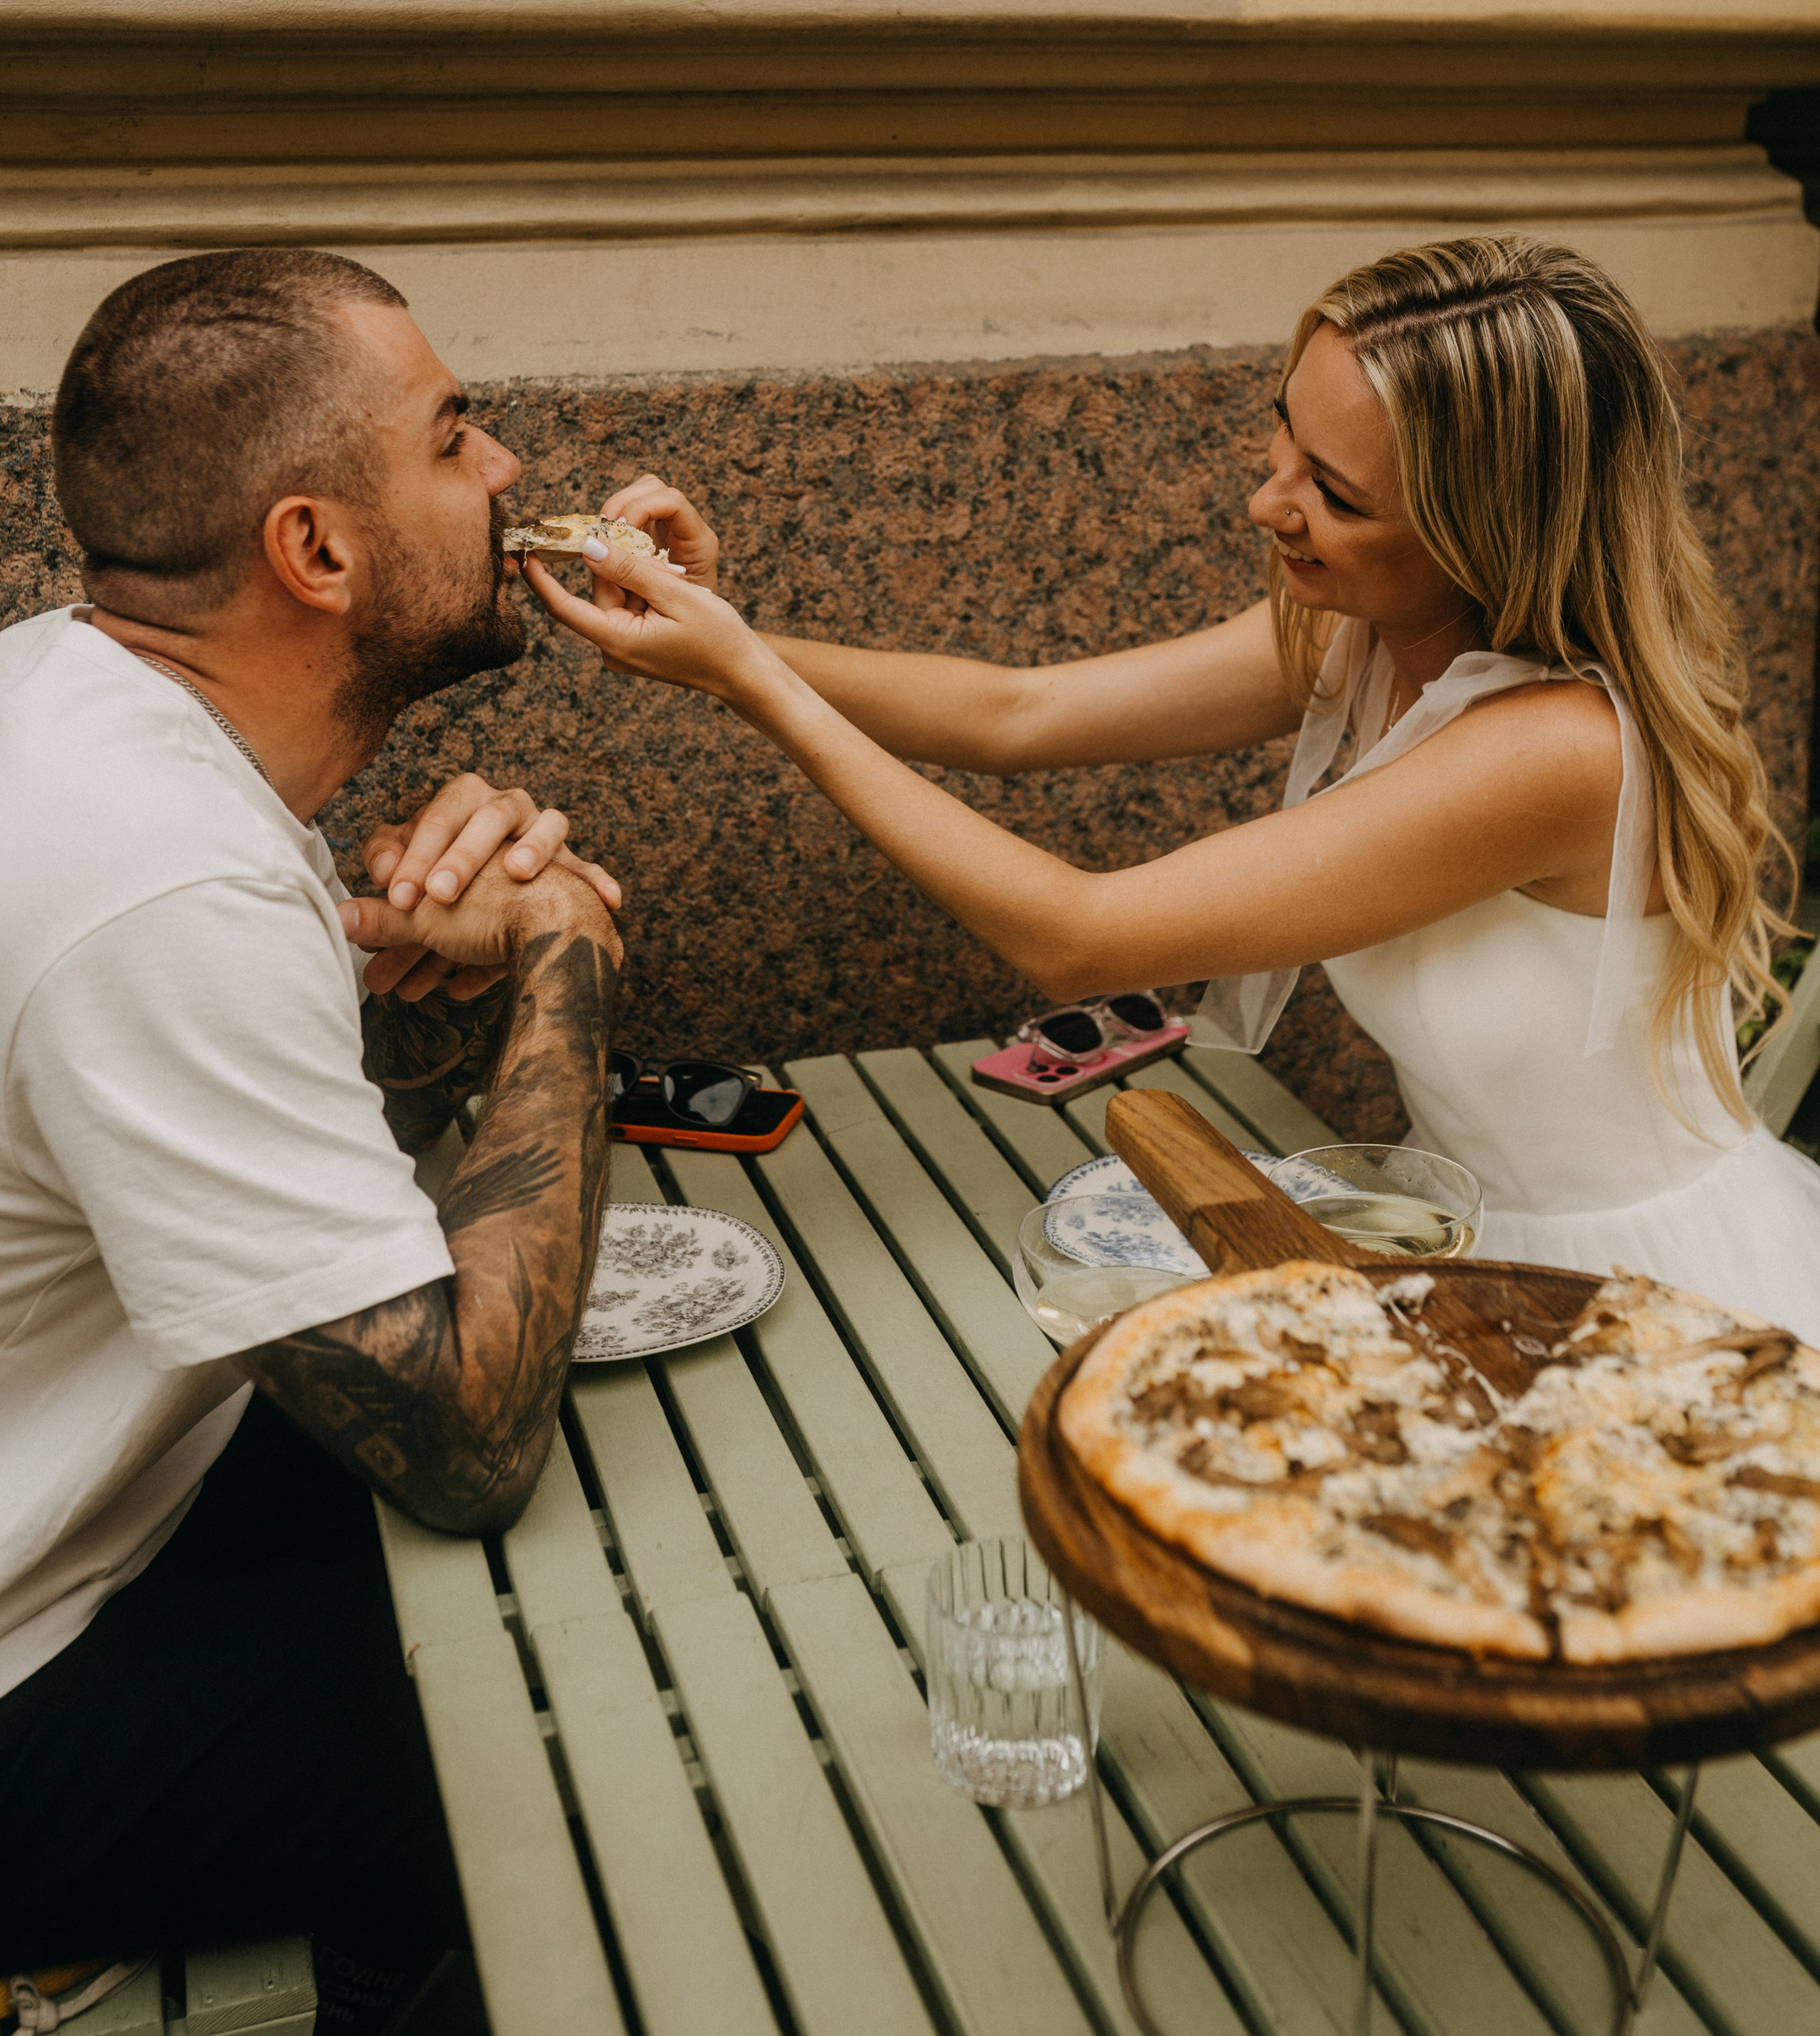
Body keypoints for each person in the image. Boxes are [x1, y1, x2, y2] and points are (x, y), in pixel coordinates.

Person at [525, 233, 1820, 1344]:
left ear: (1488, 527)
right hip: (1461, 1252)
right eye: (1284, 436)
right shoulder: (1371, 633)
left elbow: (1079, 936)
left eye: (1336, 492)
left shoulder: (1553, 749)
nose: (1269, 502)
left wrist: (749, 682)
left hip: (1631, 1293)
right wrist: (709, 630)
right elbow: (1015, 714)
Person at [0, 251, 621, 2033]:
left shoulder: (83, 701)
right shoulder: (158, 873)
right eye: (451, 438)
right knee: (599, 1714)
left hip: (109, 1494)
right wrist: (567, 962)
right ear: (318, 550)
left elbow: (207, 1199)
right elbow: (459, 1436)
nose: (506, 469)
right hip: (26, 1686)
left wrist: (421, 1029)